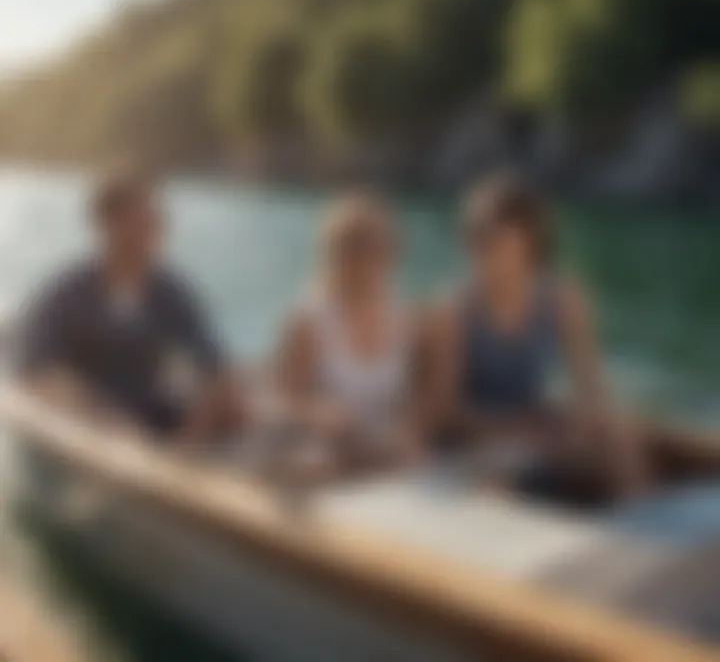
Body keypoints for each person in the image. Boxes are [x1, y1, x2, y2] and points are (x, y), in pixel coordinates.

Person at [424, 173, 647, 503]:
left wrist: (586, 426)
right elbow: (445, 413)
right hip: (477, 437)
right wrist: (516, 427)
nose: (478, 244)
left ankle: (646, 531)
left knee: (619, 435)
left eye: (491, 234)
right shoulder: (454, 310)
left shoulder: (562, 300)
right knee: (500, 474)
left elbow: (593, 388)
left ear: (528, 238)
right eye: (472, 234)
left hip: (535, 427)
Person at [15, 168, 240, 445]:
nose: (156, 226)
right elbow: (36, 369)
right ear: (108, 223)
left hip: (150, 420)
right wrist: (102, 419)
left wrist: (194, 433)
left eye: (156, 217)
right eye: (143, 217)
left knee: (235, 408)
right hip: (87, 425)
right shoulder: (68, 293)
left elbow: (215, 365)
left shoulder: (171, 293)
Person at [275, 192, 422, 481]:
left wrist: (408, 428)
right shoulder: (308, 319)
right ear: (334, 253)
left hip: (382, 450)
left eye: (377, 249)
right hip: (323, 450)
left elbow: (414, 399)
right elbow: (283, 401)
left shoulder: (404, 317)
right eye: (355, 248)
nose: (367, 260)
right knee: (315, 465)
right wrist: (318, 413)